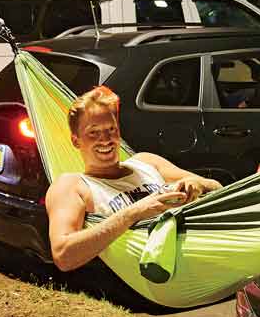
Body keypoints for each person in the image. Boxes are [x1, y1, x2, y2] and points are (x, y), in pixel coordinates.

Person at [44, 84, 223, 271]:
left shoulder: (146, 162)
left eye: (111, 129)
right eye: (94, 132)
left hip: (204, 260)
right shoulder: (71, 186)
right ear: (75, 140)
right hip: (149, 282)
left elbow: (217, 187)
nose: (105, 139)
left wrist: (196, 184)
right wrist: (134, 212)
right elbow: (63, 255)